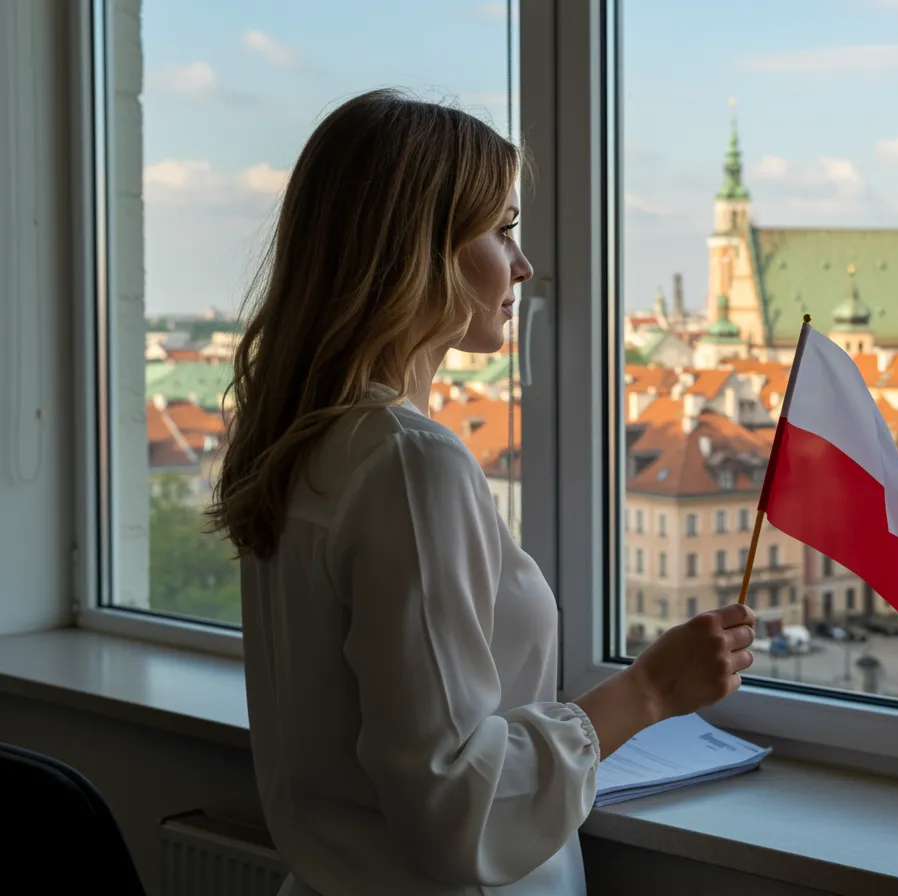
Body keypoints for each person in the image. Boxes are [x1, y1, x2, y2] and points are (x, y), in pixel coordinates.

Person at [208, 88, 757, 896]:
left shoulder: (303, 437)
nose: (525, 266)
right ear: (416, 250)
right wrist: (649, 689)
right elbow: (455, 804)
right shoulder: (407, 460)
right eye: (503, 230)